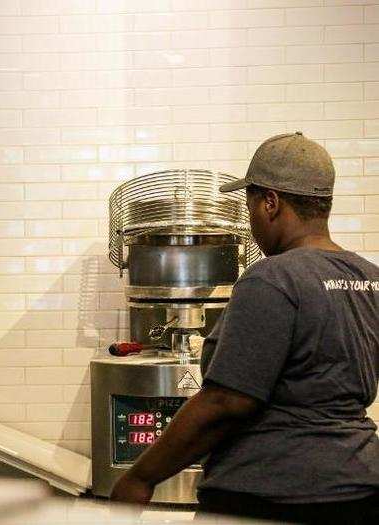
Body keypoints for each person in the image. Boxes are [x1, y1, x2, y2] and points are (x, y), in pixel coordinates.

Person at [110, 132, 379, 523]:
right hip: (361, 488)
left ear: (271, 203)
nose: (251, 221)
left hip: (268, 494)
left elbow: (227, 402)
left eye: (250, 204)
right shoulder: (369, 279)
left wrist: (141, 476)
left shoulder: (272, 278)